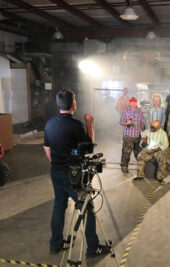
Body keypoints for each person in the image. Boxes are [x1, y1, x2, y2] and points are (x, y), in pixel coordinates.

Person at [43, 90, 109, 257]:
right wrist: (89, 123)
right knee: (87, 208)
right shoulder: (75, 125)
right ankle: (93, 248)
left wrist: (56, 163)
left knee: (59, 206)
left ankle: (56, 244)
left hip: (55, 172)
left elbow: (47, 148)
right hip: (72, 176)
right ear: (73, 105)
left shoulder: (49, 123)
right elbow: (88, 148)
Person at [120, 97, 144, 173]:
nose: (133, 103)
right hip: (128, 136)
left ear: (136, 102)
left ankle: (141, 167)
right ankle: (124, 166)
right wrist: (127, 123)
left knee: (138, 153)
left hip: (137, 135)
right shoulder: (126, 111)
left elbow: (141, 122)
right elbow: (121, 122)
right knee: (126, 152)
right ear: (129, 103)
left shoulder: (140, 111)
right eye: (132, 102)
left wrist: (143, 130)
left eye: (134, 102)